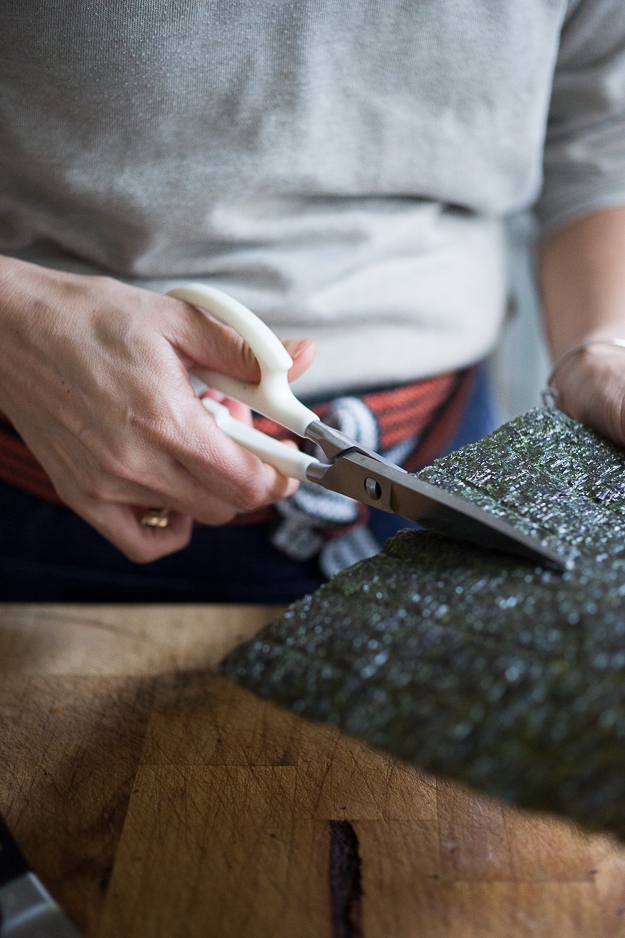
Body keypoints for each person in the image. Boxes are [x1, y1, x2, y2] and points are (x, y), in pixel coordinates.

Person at [0, 1, 624, 602]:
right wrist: (17, 317)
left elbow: (599, 145)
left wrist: (604, 346)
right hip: (59, 483)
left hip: (455, 453)